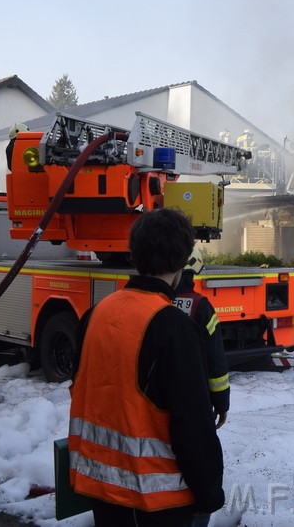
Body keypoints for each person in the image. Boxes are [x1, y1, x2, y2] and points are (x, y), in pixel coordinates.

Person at [68, 209, 224, 527]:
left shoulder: (96, 314)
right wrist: (210, 493)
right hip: (157, 500)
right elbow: (192, 425)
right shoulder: (173, 327)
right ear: (183, 260)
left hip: (101, 490)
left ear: (135, 253)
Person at [174, 247, 230, 428]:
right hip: (193, 397)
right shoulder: (201, 307)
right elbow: (215, 359)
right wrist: (221, 403)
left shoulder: (153, 300)